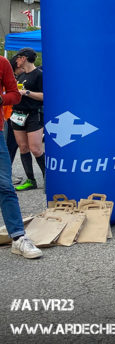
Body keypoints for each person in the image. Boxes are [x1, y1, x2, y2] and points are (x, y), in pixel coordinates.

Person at [0, 55, 41, 259]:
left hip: (2, 129)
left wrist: (1, 99)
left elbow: (14, 95)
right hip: (15, 121)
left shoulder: (2, 62)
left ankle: (18, 238)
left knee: (5, 186)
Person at [10, 49, 44, 192]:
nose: (16, 61)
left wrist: (27, 93)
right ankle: (31, 180)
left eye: (18, 58)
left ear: (24, 58)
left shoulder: (39, 75)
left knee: (35, 149)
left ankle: (48, 177)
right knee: (23, 148)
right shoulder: (20, 75)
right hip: (18, 114)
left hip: (33, 115)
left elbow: (44, 96)